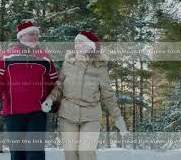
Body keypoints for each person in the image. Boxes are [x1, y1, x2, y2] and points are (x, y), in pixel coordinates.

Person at [41, 31, 127, 160]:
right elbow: (59, 86)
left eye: (80, 43)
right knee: (71, 155)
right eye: (76, 42)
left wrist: (118, 117)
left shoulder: (100, 68)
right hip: (67, 114)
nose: (77, 45)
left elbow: (108, 95)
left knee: (86, 153)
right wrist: (50, 99)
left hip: (90, 116)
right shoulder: (68, 63)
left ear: (90, 46)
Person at [0, 21, 58, 160]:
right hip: (13, 113)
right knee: (18, 154)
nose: (35, 37)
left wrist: (55, 101)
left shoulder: (44, 57)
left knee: (35, 153)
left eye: (37, 35)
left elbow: (53, 82)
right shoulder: (6, 56)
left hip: (38, 112)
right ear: (20, 37)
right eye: (32, 34)